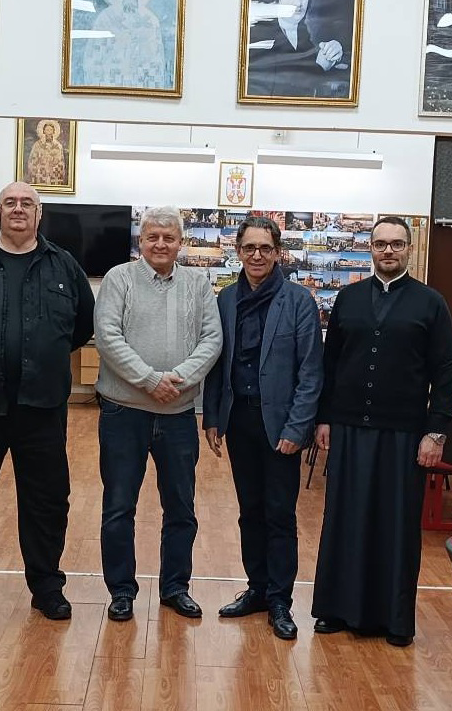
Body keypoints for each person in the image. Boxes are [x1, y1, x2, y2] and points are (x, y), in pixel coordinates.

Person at [0, 182, 95, 621]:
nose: (19, 209)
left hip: (42, 407)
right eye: (10, 202)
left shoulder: (64, 266)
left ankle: (47, 586)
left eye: (28, 203)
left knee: (47, 500)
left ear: (39, 213)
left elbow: (81, 326)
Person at [310, 215, 452, 647]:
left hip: (404, 433)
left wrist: (436, 432)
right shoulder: (348, 298)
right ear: (370, 249)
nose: (388, 250)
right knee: (344, 519)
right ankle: (335, 609)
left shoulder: (431, 303)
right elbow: (331, 364)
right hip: (349, 428)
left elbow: (446, 371)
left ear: (409, 249)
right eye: (380, 244)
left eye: (396, 244)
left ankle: (393, 619)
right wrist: (324, 418)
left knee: (396, 525)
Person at [94, 206, 222, 623]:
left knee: (181, 509)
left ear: (181, 242)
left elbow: (212, 339)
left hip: (178, 415)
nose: (161, 244)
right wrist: (151, 380)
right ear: (141, 240)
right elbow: (107, 337)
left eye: (169, 237)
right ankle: (121, 591)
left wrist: (179, 380)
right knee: (119, 508)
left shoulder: (198, 284)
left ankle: (175, 588)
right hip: (124, 414)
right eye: (153, 237)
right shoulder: (118, 279)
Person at [202, 216, 323, 640]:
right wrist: (212, 416)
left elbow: (311, 371)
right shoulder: (225, 299)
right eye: (249, 248)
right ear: (238, 251)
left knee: (279, 514)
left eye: (265, 248)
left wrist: (297, 427)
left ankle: (280, 600)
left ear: (277, 253)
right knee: (249, 510)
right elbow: (217, 361)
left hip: (281, 426)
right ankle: (256, 588)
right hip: (239, 420)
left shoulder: (298, 300)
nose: (257, 255)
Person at [245, 0, 350, 98]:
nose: (298, 3)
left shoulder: (301, 31)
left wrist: (334, 53)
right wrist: (320, 67)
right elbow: (281, 93)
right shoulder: (261, 37)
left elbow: (304, 66)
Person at [27, 119, 67, 186]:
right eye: (47, 130)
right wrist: (41, 165)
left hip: (54, 174)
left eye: (51, 130)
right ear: (44, 131)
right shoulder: (37, 145)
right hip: (41, 174)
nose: (49, 132)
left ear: (54, 131)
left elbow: (61, 162)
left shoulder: (58, 146)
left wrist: (53, 165)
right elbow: (32, 160)